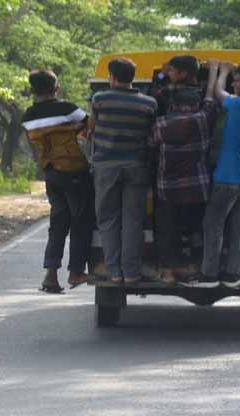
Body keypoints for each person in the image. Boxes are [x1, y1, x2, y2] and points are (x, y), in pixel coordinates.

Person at [183, 60, 240, 288]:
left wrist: (219, 71)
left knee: (213, 224)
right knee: (239, 226)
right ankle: (232, 275)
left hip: (229, 177)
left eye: (239, 80)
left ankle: (209, 275)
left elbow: (217, 93)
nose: (235, 83)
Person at [21, 69, 95, 293]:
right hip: (74, 170)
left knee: (58, 223)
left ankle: (51, 275)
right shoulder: (67, 109)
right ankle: (75, 271)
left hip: (51, 173)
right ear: (57, 89)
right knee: (81, 221)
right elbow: (89, 126)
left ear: (32, 91)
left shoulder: (28, 116)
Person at [88, 58, 158, 285]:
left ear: (112, 76)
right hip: (136, 166)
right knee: (133, 221)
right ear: (133, 76)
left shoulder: (100, 99)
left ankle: (114, 272)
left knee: (108, 219)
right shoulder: (149, 104)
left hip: (106, 167)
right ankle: (131, 272)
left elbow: (91, 129)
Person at [150, 62, 220, 284]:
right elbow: (210, 99)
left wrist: (161, 77)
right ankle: (194, 266)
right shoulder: (203, 120)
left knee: (166, 229)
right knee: (196, 228)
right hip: (196, 188)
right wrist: (215, 73)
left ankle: (169, 271)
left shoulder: (161, 123)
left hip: (167, 188)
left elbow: (151, 143)